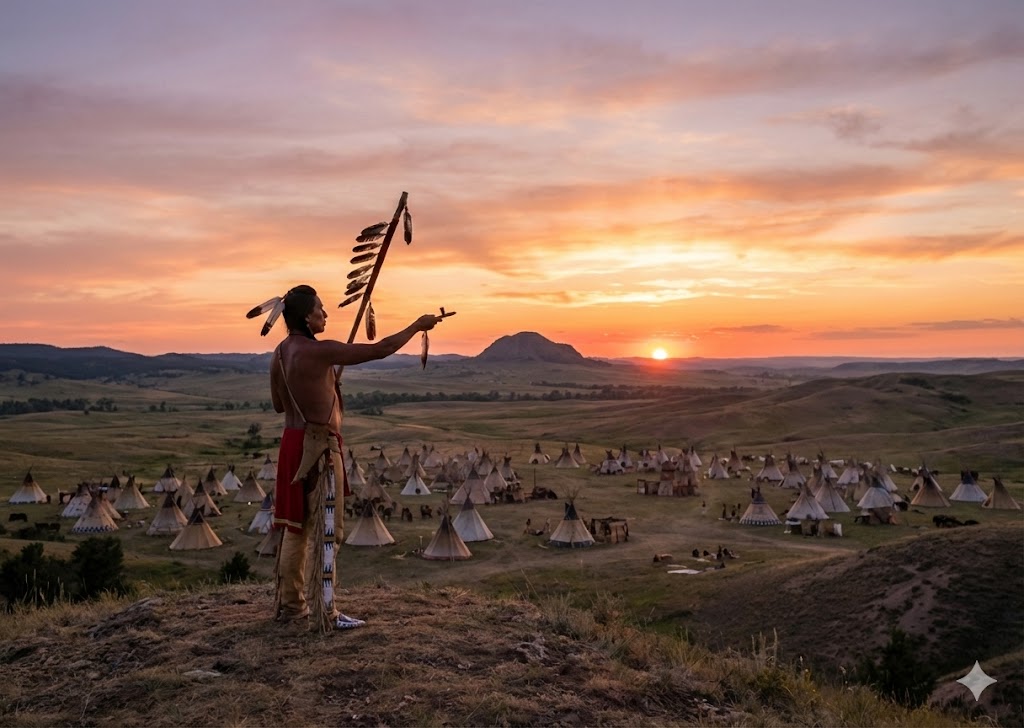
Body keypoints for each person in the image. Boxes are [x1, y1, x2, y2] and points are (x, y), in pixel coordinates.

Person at [266, 284, 443, 630]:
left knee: (294, 526)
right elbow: (380, 349)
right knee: (327, 527)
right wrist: (417, 325)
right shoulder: (318, 351)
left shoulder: (280, 353)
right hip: (318, 446)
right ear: (306, 316)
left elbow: (278, 404)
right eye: (320, 309)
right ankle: (326, 612)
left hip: (291, 443)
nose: (325, 314)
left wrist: (323, 386)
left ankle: (291, 607)